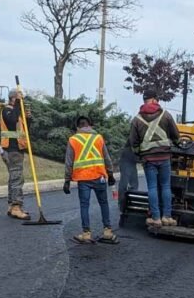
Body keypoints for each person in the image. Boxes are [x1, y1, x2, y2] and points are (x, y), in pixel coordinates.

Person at [125, 86, 181, 228]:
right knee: (166, 186)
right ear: (155, 100)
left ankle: (156, 218)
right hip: (164, 157)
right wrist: (176, 143)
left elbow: (133, 141)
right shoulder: (166, 115)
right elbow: (176, 136)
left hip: (148, 159)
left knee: (152, 188)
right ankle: (167, 217)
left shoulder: (137, 119)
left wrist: (139, 153)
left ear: (144, 101)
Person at [63, 115, 119, 245]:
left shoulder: (73, 140)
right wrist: (110, 174)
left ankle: (86, 234)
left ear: (77, 127)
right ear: (90, 126)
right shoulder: (98, 138)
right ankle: (107, 232)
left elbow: (69, 161)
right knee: (103, 203)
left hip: (83, 178)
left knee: (84, 205)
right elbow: (106, 157)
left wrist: (67, 180)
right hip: (99, 177)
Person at [0, 88, 30, 220]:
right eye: (19, 98)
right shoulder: (8, 110)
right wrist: (18, 104)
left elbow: (23, 130)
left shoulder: (16, 112)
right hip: (11, 149)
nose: (21, 100)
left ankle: (12, 206)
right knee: (17, 178)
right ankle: (16, 207)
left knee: (14, 178)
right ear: (13, 98)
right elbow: (11, 122)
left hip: (17, 148)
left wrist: (27, 119)